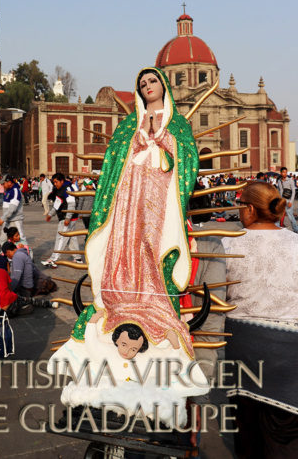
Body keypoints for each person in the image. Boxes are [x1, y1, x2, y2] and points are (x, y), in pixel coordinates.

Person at [48, 67, 210, 426]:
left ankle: (154, 299)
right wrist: (137, 145)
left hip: (160, 195)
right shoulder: (129, 124)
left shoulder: (178, 125)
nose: (147, 87)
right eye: (142, 84)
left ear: (162, 85)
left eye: (152, 82)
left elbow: (188, 161)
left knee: (154, 249)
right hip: (129, 196)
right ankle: (121, 294)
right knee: (126, 243)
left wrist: (162, 144)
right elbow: (113, 164)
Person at [223, 182, 298, 458]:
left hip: (244, 350)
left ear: (250, 209)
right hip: (290, 352)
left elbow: (217, 300)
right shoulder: (296, 242)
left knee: (248, 433)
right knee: (285, 437)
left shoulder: (227, 244)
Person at [41, 172, 83, 268]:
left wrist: (68, 217)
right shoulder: (60, 190)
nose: (55, 184)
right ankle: (78, 258)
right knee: (71, 238)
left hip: (68, 217)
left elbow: (72, 204)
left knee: (61, 237)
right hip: (66, 217)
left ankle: (54, 259)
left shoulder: (67, 189)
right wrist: (50, 214)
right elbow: (57, 203)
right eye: (54, 182)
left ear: (62, 181)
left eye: (56, 182)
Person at [0, 175, 27, 246]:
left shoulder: (15, 191)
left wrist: (2, 218)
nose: (2, 185)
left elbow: (12, 208)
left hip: (15, 220)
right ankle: (2, 254)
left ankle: (27, 255)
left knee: (20, 239)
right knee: (3, 239)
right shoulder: (8, 191)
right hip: (7, 220)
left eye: (3, 183)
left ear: (9, 182)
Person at [277, 166, 298, 233]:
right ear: (280, 173)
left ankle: (296, 229)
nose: (285, 173)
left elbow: (293, 191)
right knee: (278, 215)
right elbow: (279, 190)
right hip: (281, 201)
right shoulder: (279, 181)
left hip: (288, 200)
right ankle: (276, 229)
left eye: (286, 172)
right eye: (283, 172)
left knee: (291, 216)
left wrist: (291, 201)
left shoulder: (290, 180)